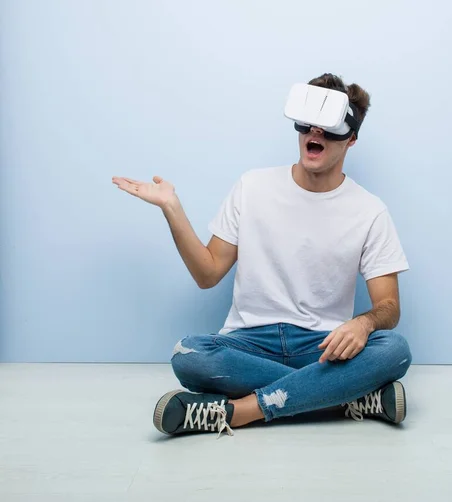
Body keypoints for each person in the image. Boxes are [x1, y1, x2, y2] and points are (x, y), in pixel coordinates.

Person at [112, 73, 412, 438]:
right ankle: (343, 398)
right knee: (189, 354)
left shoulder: (370, 211)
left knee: (394, 350)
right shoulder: (252, 186)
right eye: (307, 124)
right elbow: (207, 274)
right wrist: (172, 209)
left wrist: (363, 325)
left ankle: (238, 412)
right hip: (249, 343)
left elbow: (389, 307)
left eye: (329, 129)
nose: (315, 134)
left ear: (350, 139)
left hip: (321, 348)